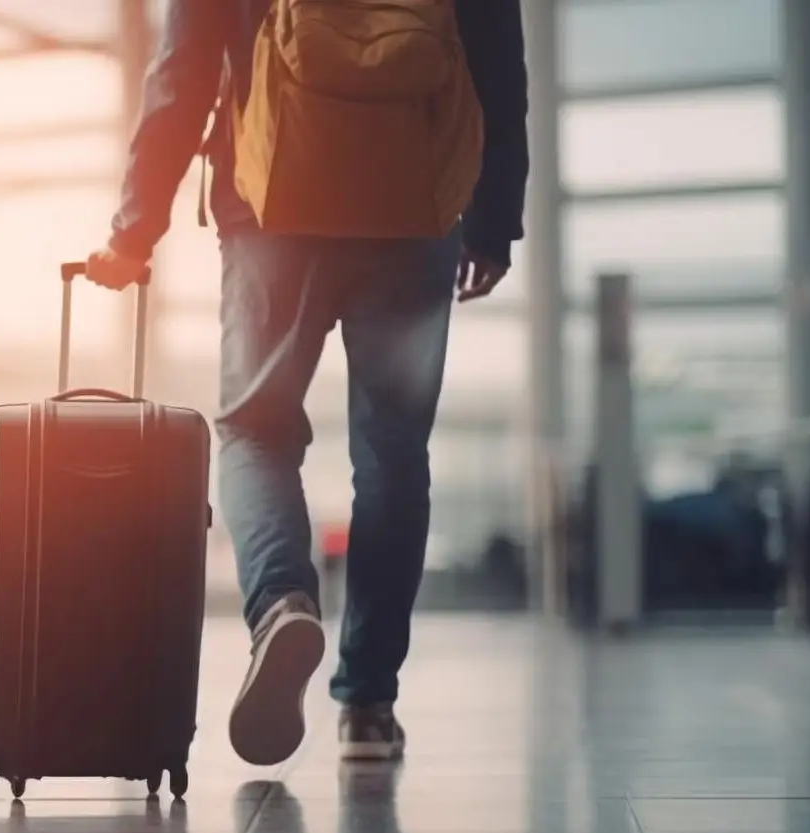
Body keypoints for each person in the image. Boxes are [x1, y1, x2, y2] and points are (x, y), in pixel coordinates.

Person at [86, 0, 529, 764]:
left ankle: (282, 602)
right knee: (392, 456)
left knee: (254, 431)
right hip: (413, 209)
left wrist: (134, 229)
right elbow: (497, 64)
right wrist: (492, 222)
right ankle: (367, 706)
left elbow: (181, 73)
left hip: (270, 212)